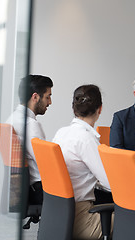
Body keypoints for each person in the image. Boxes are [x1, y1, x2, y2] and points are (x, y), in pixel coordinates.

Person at [53, 84, 110, 240]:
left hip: (58, 216)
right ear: (100, 109)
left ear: (74, 109)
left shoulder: (61, 133)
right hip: (81, 219)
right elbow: (109, 182)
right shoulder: (86, 139)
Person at [7, 74, 53, 205]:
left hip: (30, 188)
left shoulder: (12, 119)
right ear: (35, 97)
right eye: (48, 97)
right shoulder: (30, 124)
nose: (50, 102)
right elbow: (46, 164)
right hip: (41, 190)